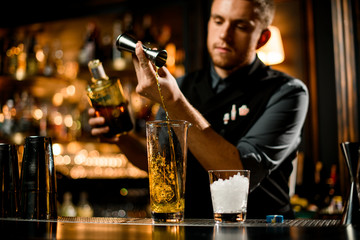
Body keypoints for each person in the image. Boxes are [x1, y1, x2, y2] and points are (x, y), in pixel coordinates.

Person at [88, 0, 309, 219]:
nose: (224, 34)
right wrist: (120, 138)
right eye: (218, 21)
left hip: (261, 231)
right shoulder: (183, 85)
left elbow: (236, 176)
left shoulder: (287, 93)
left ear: (262, 38)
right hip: (191, 228)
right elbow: (162, 165)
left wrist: (174, 101)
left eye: (240, 26)